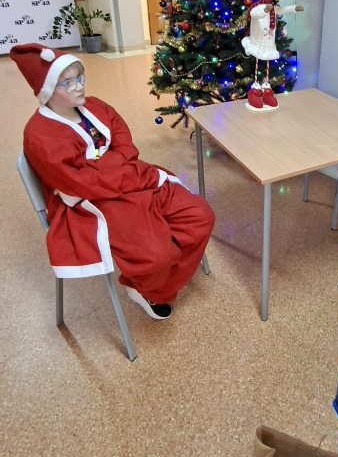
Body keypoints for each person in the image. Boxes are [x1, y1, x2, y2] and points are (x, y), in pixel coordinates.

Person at [11, 43, 215, 318]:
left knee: (201, 216)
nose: (79, 86)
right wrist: (119, 167)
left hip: (135, 179)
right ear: (47, 90)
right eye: (67, 82)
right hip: (94, 202)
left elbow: (127, 147)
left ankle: (155, 284)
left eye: (79, 77)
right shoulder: (39, 135)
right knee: (157, 255)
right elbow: (80, 182)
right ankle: (151, 287)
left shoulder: (95, 106)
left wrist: (105, 166)